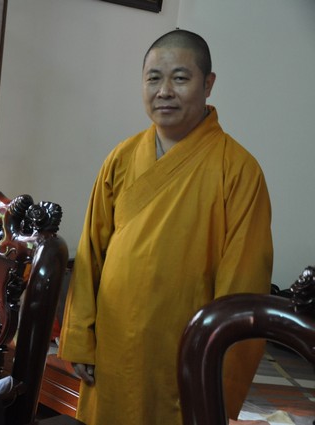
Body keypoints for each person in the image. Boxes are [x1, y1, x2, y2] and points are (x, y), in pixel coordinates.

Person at [58, 29, 273, 425]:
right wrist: (80, 339)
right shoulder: (121, 158)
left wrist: (217, 379)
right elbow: (90, 255)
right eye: (154, 78)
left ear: (208, 84)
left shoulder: (238, 170)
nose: (164, 91)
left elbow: (243, 284)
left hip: (185, 356)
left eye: (180, 78)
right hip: (114, 348)